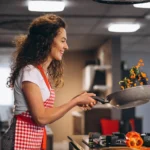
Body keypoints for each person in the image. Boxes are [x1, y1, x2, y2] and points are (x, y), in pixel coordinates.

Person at [1, 14, 97, 150]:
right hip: (18, 141)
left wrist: (77, 99)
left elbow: (43, 111)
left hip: (31, 139)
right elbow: (41, 118)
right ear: (47, 41)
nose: (66, 46)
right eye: (62, 41)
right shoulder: (30, 71)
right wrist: (74, 102)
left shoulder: (40, 72)